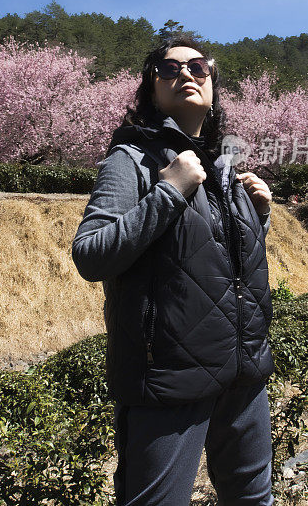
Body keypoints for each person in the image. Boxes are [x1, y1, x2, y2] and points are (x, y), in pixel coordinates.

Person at [71, 36, 275, 505]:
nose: (185, 73)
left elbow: (216, 267)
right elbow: (91, 255)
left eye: (198, 66)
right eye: (169, 69)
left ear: (212, 83)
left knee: (253, 500)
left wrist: (258, 217)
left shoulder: (225, 166)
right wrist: (169, 192)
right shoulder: (132, 159)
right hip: (168, 379)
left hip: (243, 376)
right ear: (151, 88)